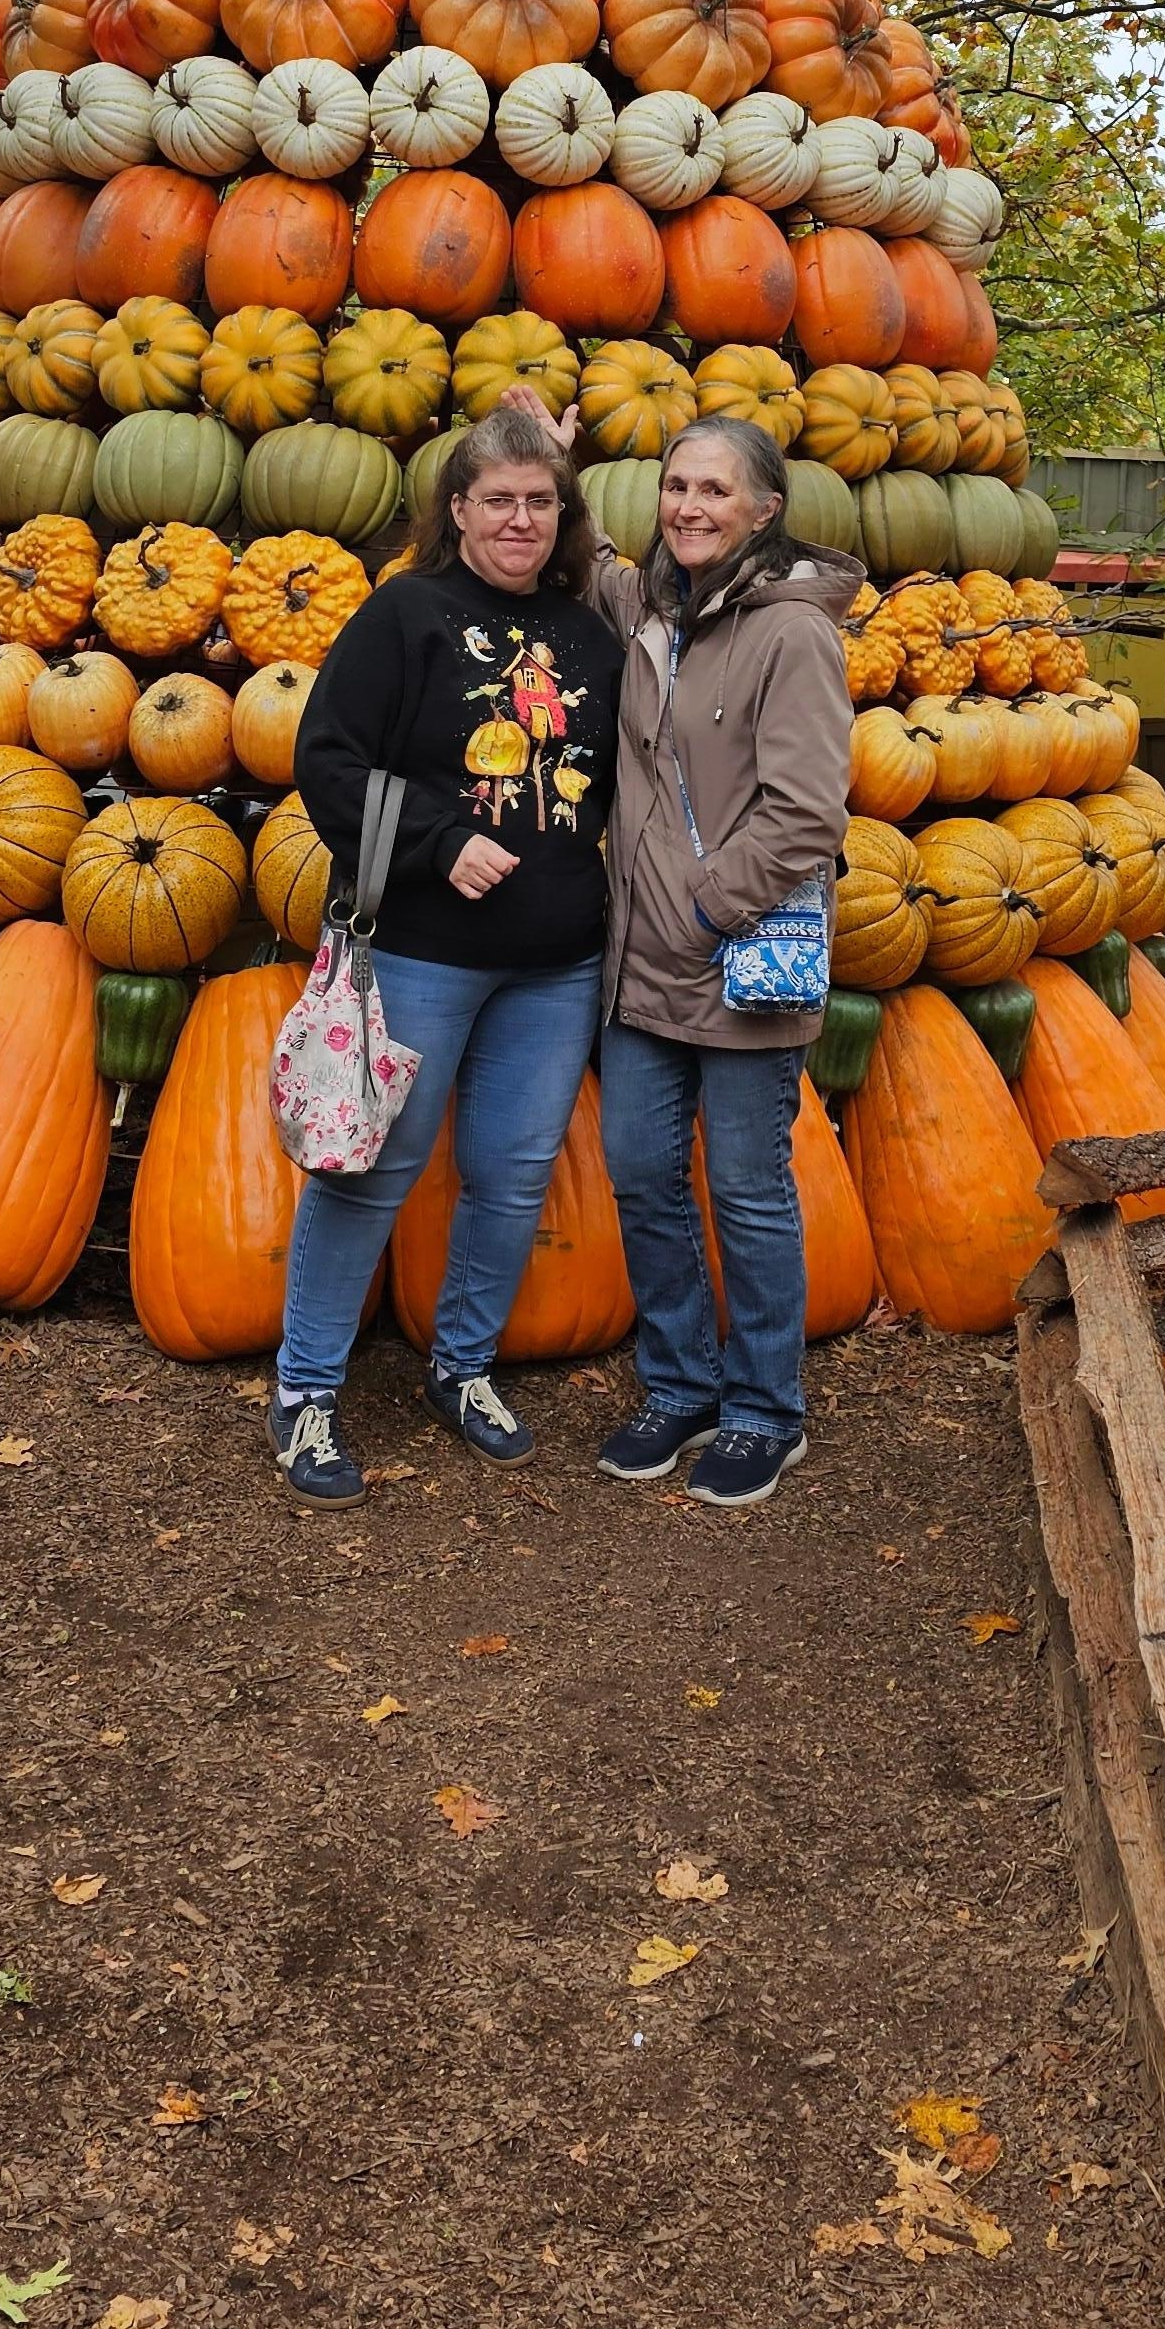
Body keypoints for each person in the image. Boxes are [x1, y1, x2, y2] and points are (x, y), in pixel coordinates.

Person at [269, 403, 625, 1504]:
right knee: (371, 1171)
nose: (520, 518)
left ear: (562, 516)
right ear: (458, 509)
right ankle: (306, 1392)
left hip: (554, 964)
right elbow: (324, 759)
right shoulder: (404, 617)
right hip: (422, 951)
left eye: (539, 500)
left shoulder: (590, 638)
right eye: (498, 499)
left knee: (514, 1177)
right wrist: (440, 840)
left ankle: (462, 1370)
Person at [585, 412, 856, 1508]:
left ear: (764, 508)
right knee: (644, 1176)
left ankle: (763, 1410)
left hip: (734, 958)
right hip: (639, 974)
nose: (689, 507)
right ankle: (683, 1382)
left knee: (747, 1191)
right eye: (675, 487)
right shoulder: (653, 604)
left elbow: (804, 815)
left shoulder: (792, 633)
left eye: (713, 490)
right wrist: (547, 458)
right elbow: (590, 563)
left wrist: (702, 911)